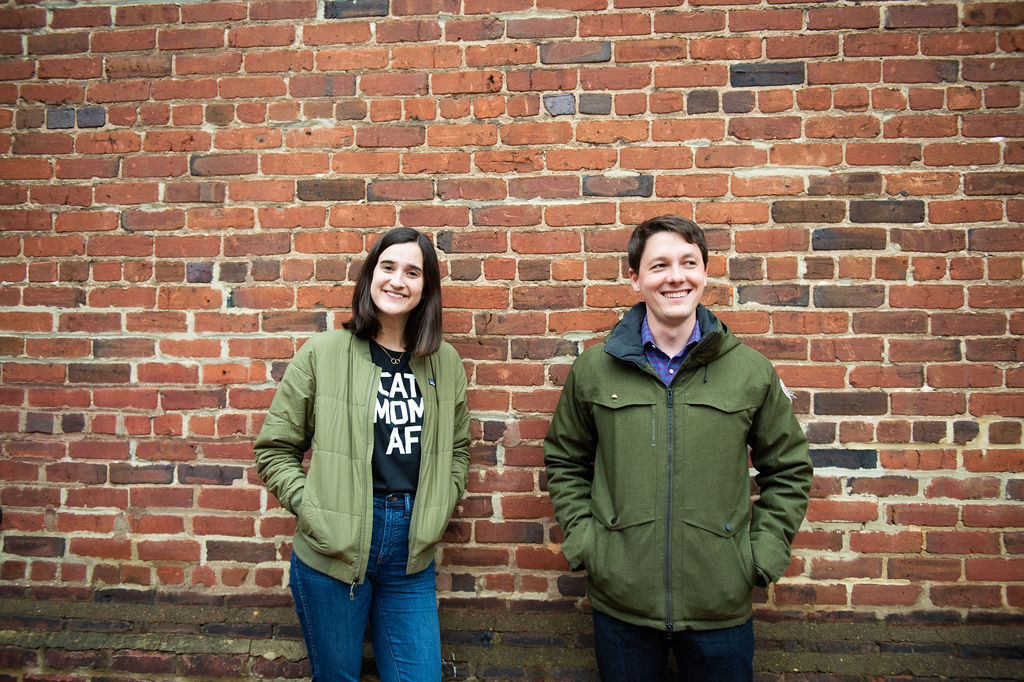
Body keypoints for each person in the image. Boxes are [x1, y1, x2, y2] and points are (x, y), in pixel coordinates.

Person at [543, 215, 813, 681]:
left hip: (720, 608)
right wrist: (589, 544)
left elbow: (788, 469)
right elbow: (565, 459)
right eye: (659, 264)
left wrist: (760, 556)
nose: (675, 276)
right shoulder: (594, 370)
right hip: (622, 605)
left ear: (704, 273)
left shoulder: (749, 371)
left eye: (689, 263)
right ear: (635, 278)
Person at [255, 227, 470, 682]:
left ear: (426, 289)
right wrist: (314, 507)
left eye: (413, 272)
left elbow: (458, 450)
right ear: (370, 275)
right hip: (332, 548)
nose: (398, 280)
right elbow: (275, 450)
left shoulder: (445, 362)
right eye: (388, 267)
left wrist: (441, 504)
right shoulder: (322, 353)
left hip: (411, 553)